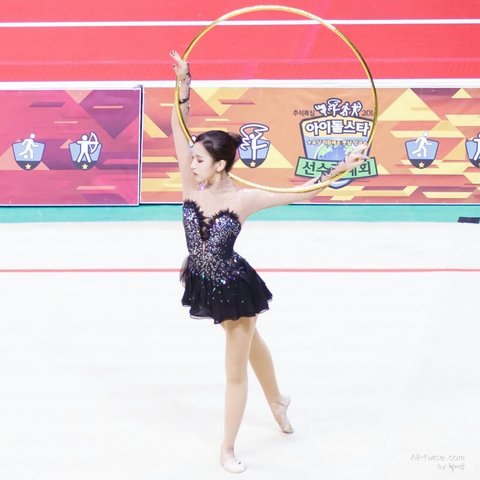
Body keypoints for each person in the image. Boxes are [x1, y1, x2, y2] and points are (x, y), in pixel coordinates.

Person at [169, 50, 368, 474]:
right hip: (204, 281)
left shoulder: (243, 199)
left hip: (234, 288)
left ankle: (227, 448)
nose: (191, 163)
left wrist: (343, 167)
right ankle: (278, 401)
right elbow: (177, 127)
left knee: (235, 370)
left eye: (199, 159)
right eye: (192, 157)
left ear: (220, 165)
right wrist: (184, 84)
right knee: (251, 341)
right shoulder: (190, 185)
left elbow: (300, 192)